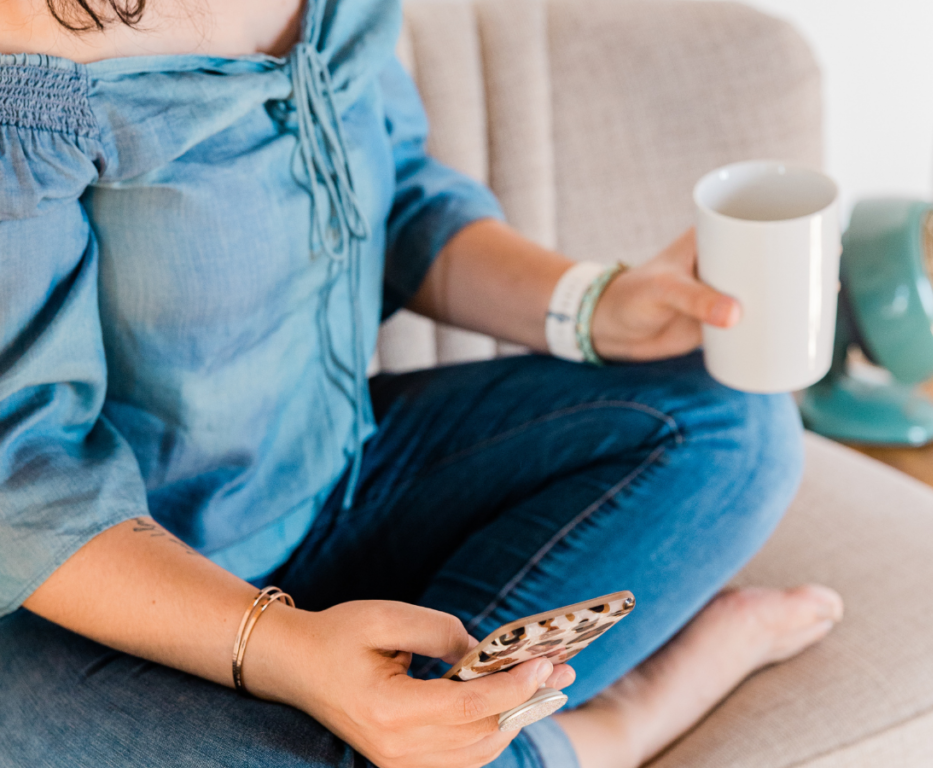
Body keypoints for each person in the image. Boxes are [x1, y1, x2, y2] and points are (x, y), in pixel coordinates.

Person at [0, 0, 844, 766]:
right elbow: (25, 477)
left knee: (735, 424)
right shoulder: (25, 58)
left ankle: (455, 733)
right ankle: (613, 731)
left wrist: (597, 305)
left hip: (348, 477)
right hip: (82, 605)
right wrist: (288, 651)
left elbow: (397, 196)